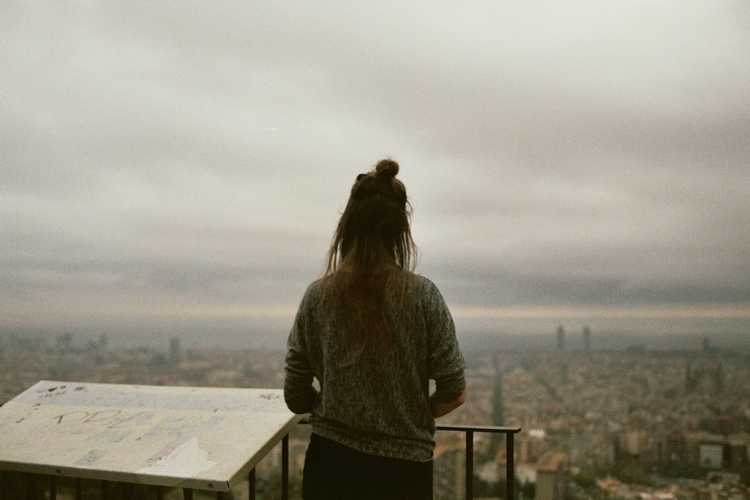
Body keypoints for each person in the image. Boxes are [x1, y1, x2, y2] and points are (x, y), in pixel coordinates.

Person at [284, 159, 467, 500]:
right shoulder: (422, 294)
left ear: (347, 227)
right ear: (401, 231)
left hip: (329, 464)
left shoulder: (317, 296)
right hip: (402, 472)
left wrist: (335, 406)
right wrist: (406, 413)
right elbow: (454, 391)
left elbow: (295, 395)